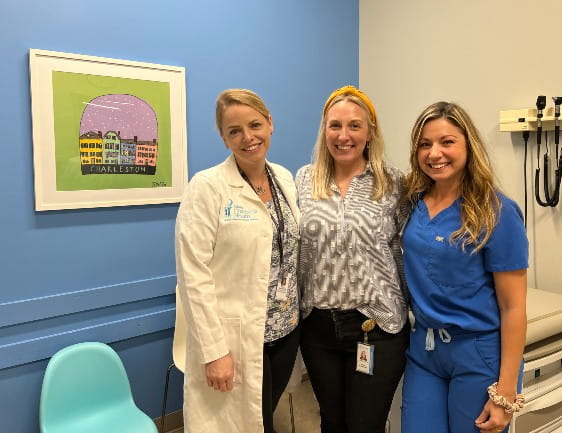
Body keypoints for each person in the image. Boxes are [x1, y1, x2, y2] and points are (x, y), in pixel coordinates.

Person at [175, 89, 300, 433]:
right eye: (234, 131)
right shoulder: (207, 187)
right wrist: (214, 351)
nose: (248, 137)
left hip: (285, 332)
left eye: (255, 124)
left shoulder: (285, 179)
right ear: (224, 137)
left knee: (263, 417)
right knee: (241, 424)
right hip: (237, 338)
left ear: (270, 123)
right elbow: (192, 274)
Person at [400, 101, 528, 433]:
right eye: (425, 145)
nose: (434, 153)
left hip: (476, 352)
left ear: (469, 145)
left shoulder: (496, 211)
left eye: (447, 142)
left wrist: (506, 392)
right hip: (424, 351)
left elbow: (513, 307)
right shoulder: (412, 202)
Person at [296, 85, 409, 433]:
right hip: (318, 326)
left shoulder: (393, 183)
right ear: (324, 130)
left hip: (377, 325)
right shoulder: (302, 180)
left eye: (354, 126)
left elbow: (418, 247)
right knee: (331, 422)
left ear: (370, 131)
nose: (343, 136)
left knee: (365, 425)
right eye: (335, 125)